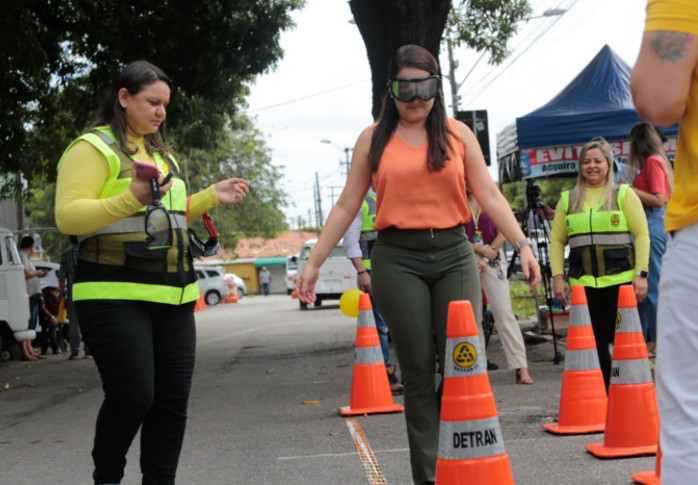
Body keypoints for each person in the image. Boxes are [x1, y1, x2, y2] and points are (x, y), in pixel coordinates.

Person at [296, 45, 540, 485]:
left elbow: (489, 194)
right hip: (398, 257)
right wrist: (313, 264)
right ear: (390, 89)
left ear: (436, 88)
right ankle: (429, 477)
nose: (414, 96)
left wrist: (522, 243)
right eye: (404, 86)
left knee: (463, 362)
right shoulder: (373, 139)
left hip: (454, 252)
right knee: (418, 370)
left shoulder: (457, 134)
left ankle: (465, 463)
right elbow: (348, 205)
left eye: (423, 86)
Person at [54, 60, 249, 485]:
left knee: (171, 401)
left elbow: (165, 216)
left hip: (173, 295)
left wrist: (209, 197)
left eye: (165, 105)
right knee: (133, 396)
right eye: (152, 102)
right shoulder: (93, 147)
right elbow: (68, 217)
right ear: (124, 98)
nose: (160, 112)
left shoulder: (162, 154)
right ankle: (107, 477)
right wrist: (129, 197)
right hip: (111, 292)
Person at [631, 3, 698, 483]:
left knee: (688, 417)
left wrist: (625, 188)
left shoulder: (650, 164)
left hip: (676, 227)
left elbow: (658, 98)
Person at [550, 140, 650, 390]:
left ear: (609, 164)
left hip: (622, 285)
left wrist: (641, 274)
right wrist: (557, 277)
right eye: (586, 161)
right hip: (584, 286)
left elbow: (642, 235)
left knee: (625, 344)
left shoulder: (624, 194)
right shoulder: (567, 199)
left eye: (597, 161)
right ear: (580, 166)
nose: (592, 166)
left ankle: (632, 395)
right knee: (595, 345)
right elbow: (556, 242)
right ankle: (605, 398)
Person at [465, 190, 534, 385]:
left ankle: (521, 367)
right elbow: (454, 233)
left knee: (504, 312)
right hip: (467, 256)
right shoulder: (456, 199)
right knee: (473, 316)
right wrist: (480, 250)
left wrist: (489, 254)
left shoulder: (491, 196)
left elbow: (505, 229)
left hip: (493, 255)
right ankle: (478, 368)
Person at [343, 187, 403, 394]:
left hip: (402, 267)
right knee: (380, 323)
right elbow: (350, 240)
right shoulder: (361, 198)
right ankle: (385, 370)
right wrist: (361, 271)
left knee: (406, 320)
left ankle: (415, 370)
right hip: (372, 269)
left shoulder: (398, 192)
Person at [627, 122, 673, 357]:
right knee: (644, 285)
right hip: (649, 224)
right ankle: (647, 339)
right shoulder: (654, 162)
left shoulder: (653, 162)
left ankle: (656, 340)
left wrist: (628, 190)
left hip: (653, 223)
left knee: (651, 285)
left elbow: (658, 198)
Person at [58, 235, 88, 359]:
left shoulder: (65, 255)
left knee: (73, 323)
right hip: (87, 291)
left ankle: (74, 351)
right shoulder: (85, 254)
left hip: (72, 291)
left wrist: (62, 292)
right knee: (87, 321)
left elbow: (62, 277)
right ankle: (88, 350)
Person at [19, 235, 46, 361]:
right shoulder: (22, 256)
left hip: (33, 294)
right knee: (27, 323)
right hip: (28, 294)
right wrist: (37, 273)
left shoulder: (27, 258)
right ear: (31, 245)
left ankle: (30, 349)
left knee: (32, 323)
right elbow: (24, 273)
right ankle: (25, 351)